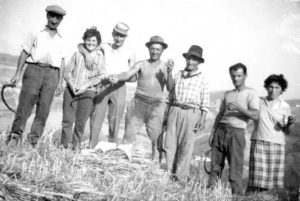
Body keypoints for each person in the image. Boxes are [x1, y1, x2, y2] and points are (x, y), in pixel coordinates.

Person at [6, 5, 67, 147]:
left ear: (61, 20)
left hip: (52, 74)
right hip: (34, 70)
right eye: (52, 16)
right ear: (47, 16)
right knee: (25, 105)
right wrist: (17, 74)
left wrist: (59, 83)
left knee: (44, 109)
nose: (54, 20)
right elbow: (24, 52)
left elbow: (62, 61)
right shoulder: (36, 32)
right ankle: (15, 137)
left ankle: (33, 140)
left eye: (58, 17)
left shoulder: (62, 38)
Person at [112, 35, 174, 160]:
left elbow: (170, 88)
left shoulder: (165, 67)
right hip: (138, 104)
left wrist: (170, 72)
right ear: (148, 49)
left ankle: (155, 166)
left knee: (157, 139)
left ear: (162, 51)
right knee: (128, 135)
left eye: (158, 49)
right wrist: (117, 77)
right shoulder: (141, 64)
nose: (155, 51)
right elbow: (128, 73)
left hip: (156, 106)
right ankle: (123, 161)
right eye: (152, 48)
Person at [79, 22, 136, 147]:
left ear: (126, 37)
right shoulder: (104, 47)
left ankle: (111, 147)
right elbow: (80, 46)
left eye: (122, 36)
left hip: (119, 87)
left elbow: (134, 76)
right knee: (97, 116)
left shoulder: (130, 51)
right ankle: (91, 146)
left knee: (115, 120)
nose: (119, 38)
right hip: (103, 85)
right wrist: (87, 54)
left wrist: (120, 78)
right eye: (117, 35)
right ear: (112, 34)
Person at [207, 63, 260, 195]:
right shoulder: (228, 94)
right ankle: (210, 196)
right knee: (215, 168)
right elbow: (220, 114)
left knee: (235, 171)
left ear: (245, 76)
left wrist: (239, 108)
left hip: (236, 133)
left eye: (239, 76)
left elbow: (255, 115)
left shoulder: (251, 93)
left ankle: (237, 197)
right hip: (220, 130)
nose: (236, 79)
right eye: (233, 76)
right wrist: (213, 132)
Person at [164, 45, 209, 183]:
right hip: (175, 109)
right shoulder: (178, 74)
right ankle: (168, 174)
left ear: (199, 62)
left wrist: (202, 118)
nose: (190, 62)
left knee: (186, 146)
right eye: (189, 58)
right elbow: (169, 89)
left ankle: (180, 178)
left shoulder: (202, 79)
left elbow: (205, 101)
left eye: (194, 59)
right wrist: (169, 72)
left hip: (191, 112)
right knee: (169, 144)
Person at [61, 27, 109, 149]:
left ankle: (75, 147)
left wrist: (85, 86)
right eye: (88, 40)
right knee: (67, 120)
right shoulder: (77, 54)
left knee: (80, 122)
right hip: (71, 91)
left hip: (88, 92)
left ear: (98, 42)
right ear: (84, 40)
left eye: (94, 41)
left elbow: (102, 75)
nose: (91, 43)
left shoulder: (100, 56)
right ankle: (64, 146)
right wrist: (72, 85)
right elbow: (67, 72)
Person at [247, 74, 295, 193]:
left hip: (276, 144)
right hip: (259, 141)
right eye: (271, 87)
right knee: (256, 180)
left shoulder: (285, 107)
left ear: (282, 90)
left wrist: (290, 124)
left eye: (277, 87)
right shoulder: (259, 101)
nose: (273, 90)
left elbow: (287, 131)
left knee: (271, 182)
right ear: (266, 87)